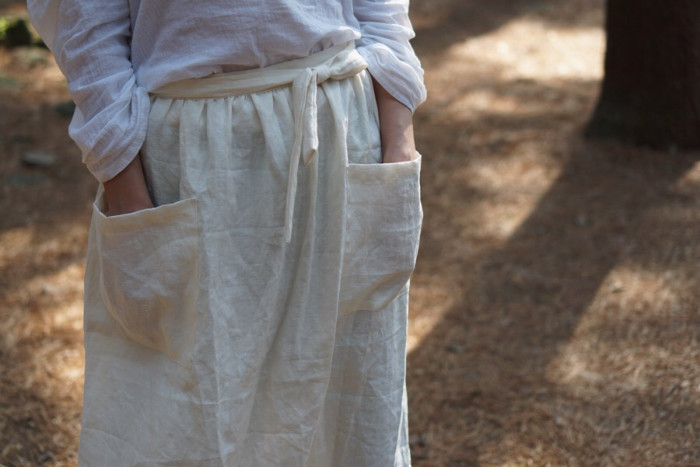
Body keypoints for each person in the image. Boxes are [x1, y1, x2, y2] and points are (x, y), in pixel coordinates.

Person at [27, 1, 426, 465]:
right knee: (180, 421)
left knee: (345, 405)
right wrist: (126, 188)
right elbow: (85, 23)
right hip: (190, 159)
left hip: (341, 132)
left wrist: (398, 142)